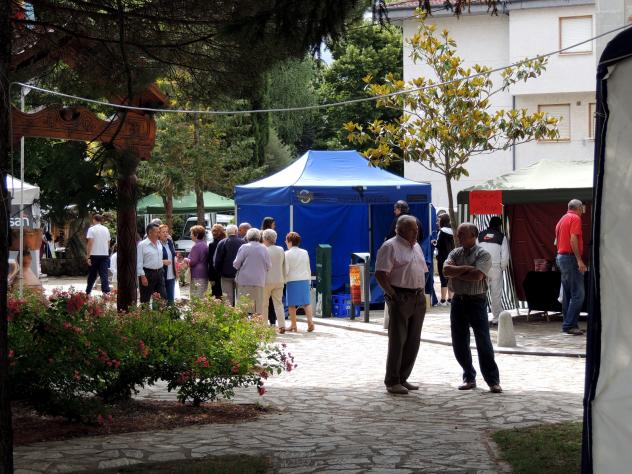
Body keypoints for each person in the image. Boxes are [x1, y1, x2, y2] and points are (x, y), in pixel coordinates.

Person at [443, 223, 502, 394]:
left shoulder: (483, 254)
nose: (458, 237)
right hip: (458, 301)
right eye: (458, 234)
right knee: (459, 342)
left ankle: (492, 380)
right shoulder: (455, 253)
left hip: (476, 301)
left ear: (473, 236)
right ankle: (469, 376)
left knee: (483, 342)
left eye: (463, 234)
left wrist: (458, 271)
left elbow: (477, 276)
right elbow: (446, 270)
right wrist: (467, 269)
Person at [375, 215, 428, 395]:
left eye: (417, 229)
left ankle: (403, 377)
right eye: (412, 230)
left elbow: (422, 270)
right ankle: (392, 380)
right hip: (401, 295)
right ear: (401, 230)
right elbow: (380, 274)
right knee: (398, 340)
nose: (416, 233)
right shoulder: (390, 246)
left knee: (413, 341)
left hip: (418, 296)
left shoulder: (417, 246)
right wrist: (393, 295)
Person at [555, 199, 587, 336]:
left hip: (561, 257)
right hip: (570, 258)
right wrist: (579, 260)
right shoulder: (575, 218)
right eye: (582, 208)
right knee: (578, 294)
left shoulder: (562, 219)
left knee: (568, 294)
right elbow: (573, 239)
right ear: (578, 207)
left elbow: (556, 241)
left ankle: (570, 324)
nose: (583, 211)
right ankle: (569, 325)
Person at [477, 216, 509, 325]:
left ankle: (481, 318)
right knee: (496, 294)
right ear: (499, 226)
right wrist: (502, 268)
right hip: (495, 268)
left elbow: (475, 251)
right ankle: (496, 318)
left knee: (481, 294)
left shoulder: (480, 235)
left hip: (482, 268)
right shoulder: (501, 237)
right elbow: (505, 256)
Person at [233, 228, 271, 315]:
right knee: (257, 308)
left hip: (244, 281)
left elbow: (236, 264)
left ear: (248, 237)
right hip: (259, 281)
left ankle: (243, 323)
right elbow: (269, 265)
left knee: (243, 307)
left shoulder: (244, 247)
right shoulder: (264, 248)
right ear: (259, 236)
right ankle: (256, 323)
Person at [284, 232, 314, 332]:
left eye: (286, 241)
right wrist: (309, 280)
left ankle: (293, 325)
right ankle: (310, 322)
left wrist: (284, 279)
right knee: (306, 303)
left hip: (292, 280)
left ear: (290, 242)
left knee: (291, 305)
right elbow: (308, 267)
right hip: (304, 279)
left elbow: (286, 269)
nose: (285, 242)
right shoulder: (305, 252)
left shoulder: (286, 254)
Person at [262, 228, 286, 333]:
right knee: (279, 304)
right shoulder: (281, 249)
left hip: (266, 281)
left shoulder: (263, 249)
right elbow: (284, 265)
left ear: (265, 238)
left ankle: (263, 327)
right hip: (279, 280)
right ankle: (282, 326)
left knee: (264, 304)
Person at [136, 223, 167, 304]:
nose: (159, 234)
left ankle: (160, 312)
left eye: (159, 232)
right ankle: (145, 312)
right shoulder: (142, 245)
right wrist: (143, 276)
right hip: (147, 274)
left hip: (159, 272)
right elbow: (139, 262)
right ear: (150, 233)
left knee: (163, 297)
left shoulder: (159, 243)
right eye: (157, 232)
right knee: (145, 299)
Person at [214, 224, 243, 305]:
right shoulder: (243, 242)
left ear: (226, 233)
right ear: (236, 232)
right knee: (240, 298)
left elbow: (217, 261)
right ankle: (240, 313)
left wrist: (220, 272)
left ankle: (229, 313)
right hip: (239, 274)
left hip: (225, 275)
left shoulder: (221, 243)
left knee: (227, 299)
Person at [85, 214, 111, 295]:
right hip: (104, 254)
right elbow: (108, 242)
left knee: (92, 274)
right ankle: (105, 292)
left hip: (94, 255)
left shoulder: (91, 229)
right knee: (104, 274)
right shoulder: (106, 229)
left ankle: (88, 292)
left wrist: (88, 256)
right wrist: (106, 251)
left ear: (94, 219)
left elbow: (90, 243)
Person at [433, 213, 455, 306]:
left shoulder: (441, 231)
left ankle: (442, 300)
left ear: (442, 221)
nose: (437, 222)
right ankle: (450, 300)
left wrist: (434, 243)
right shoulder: (453, 231)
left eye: (439, 220)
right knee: (450, 278)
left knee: (443, 278)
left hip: (442, 258)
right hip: (452, 258)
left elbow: (439, 245)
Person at [185, 225, 209, 299]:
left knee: (196, 296)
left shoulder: (196, 246)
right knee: (202, 294)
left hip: (197, 274)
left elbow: (193, 261)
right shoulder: (204, 244)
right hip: (204, 272)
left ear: (197, 235)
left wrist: (186, 259)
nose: (190, 235)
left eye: (191, 233)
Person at [261, 217, 277, 325]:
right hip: (269, 273)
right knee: (270, 301)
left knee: (265, 301)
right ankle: (271, 321)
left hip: (264, 274)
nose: (274, 226)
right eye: (273, 224)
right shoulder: (269, 235)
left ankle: (265, 322)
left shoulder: (260, 234)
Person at [159, 224, 177, 304]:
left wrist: (176, 271)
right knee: (161, 300)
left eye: (167, 232)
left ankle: (171, 312)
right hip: (161, 275)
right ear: (159, 234)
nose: (166, 234)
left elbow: (173, 256)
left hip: (171, 275)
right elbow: (152, 260)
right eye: (163, 232)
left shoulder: (170, 242)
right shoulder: (157, 244)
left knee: (171, 300)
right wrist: (162, 262)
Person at [207, 224, 226, 299]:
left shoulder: (212, 245)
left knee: (217, 295)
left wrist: (210, 277)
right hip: (225, 272)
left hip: (215, 273)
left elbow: (211, 261)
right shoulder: (226, 242)